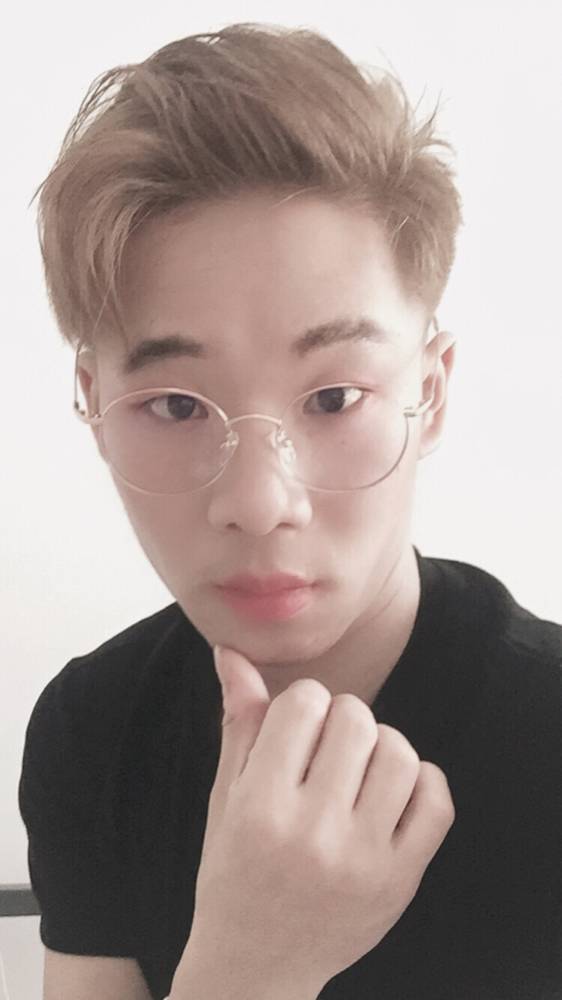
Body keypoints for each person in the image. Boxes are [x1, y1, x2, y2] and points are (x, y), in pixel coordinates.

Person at [18, 21, 561, 1000]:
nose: (260, 502)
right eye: (176, 406)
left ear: (429, 392)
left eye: (334, 397)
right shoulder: (89, 732)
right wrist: (250, 967)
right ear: (93, 407)